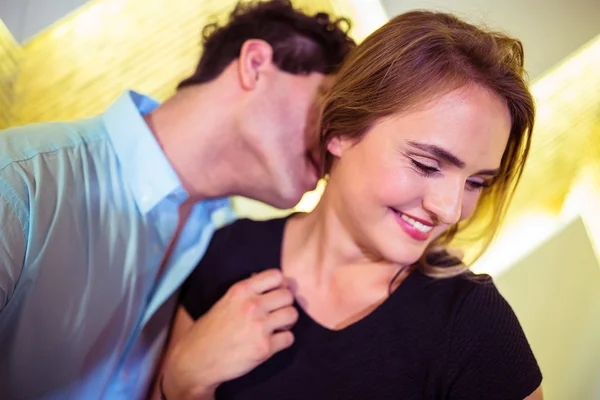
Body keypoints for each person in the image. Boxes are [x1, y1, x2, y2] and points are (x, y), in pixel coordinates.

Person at [159, 9, 544, 400]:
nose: (449, 209)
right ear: (340, 129)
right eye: (426, 165)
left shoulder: (472, 325)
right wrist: (184, 381)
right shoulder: (228, 253)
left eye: (477, 182)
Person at [0, 1, 354, 398]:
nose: (336, 144)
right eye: (329, 104)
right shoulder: (18, 181)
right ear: (255, 65)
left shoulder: (227, 248)